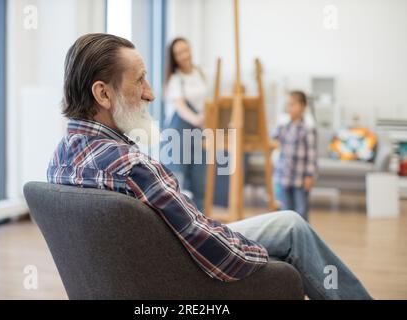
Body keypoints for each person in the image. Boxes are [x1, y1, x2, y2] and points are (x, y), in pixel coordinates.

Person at [47, 33, 372, 299]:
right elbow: (217, 252)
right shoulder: (132, 167)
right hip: (182, 272)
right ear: (103, 94)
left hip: (137, 272)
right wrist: (268, 254)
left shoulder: (59, 160)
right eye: (140, 81)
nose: (150, 93)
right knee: (290, 227)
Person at [163, 38, 208, 211]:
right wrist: (197, 119)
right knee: (178, 183)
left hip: (198, 134)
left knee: (199, 182)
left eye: (186, 50)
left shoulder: (199, 73)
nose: (184, 55)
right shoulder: (175, 79)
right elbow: (181, 107)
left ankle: (203, 226)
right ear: (174, 58)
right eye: (179, 53)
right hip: (177, 135)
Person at [273, 91, 317, 222]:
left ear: (303, 106)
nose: (289, 108)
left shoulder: (308, 128)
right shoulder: (284, 126)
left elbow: (312, 154)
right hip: (284, 177)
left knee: (301, 211)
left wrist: (310, 176)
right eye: (288, 105)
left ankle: (303, 239)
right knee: (285, 211)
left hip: (300, 179)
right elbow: (272, 138)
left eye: (293, 104)